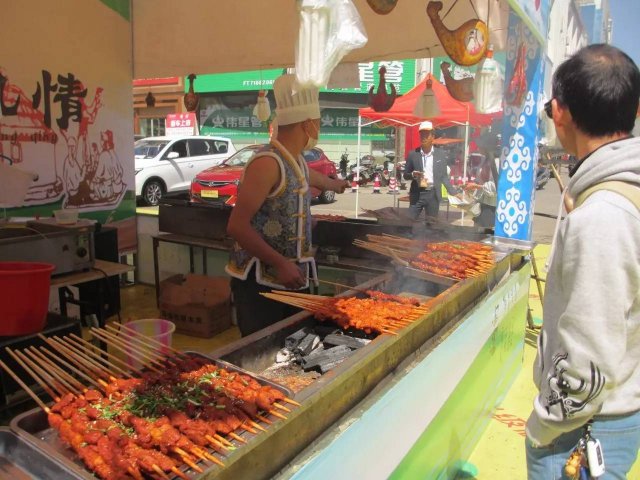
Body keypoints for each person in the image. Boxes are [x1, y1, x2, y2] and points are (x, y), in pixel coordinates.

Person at [526, 44, 640, 479]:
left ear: (560, 112)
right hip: (612, 417)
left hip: (583, 433)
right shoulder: (618, 195)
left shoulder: (603, 217)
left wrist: (543, 428)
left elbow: (587, 360)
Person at [226, 74, 349, 337]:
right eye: (317, 122)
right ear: (307, 124)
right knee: (262, 355)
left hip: (292, 277)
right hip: (260, 283)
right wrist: (281, 263)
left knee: (292, 354)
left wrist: (336, 185)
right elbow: (236, 226)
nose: (319, 127)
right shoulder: (267, 163)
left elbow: (311, 178)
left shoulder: (295, 160)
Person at [403, 121, 461, 220]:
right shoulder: (413, 154)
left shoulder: (440, 154)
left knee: (432, 224)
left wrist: (453, 192)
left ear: (433, 136)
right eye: (421, 135)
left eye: (426, 134)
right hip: (417, 193)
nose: (423, 137)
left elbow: (443, 176)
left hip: (433, 194)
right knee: (409, 221)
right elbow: (405, 175)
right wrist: (413, 174)